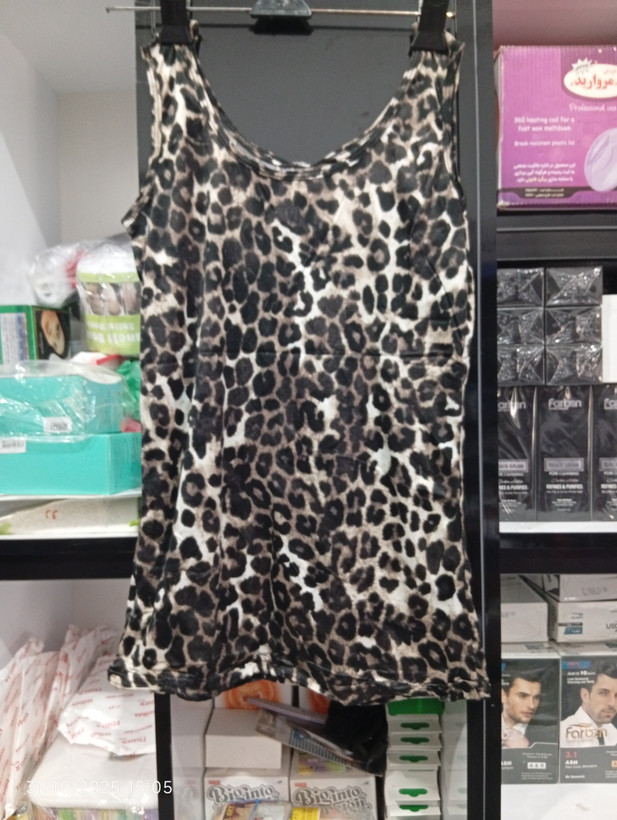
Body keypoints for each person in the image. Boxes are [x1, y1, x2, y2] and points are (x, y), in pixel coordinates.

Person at [560, 660, 617, 747]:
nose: (612, 703)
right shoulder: (562, 733)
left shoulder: (612, 732)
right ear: (585, 695)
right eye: (603, 693)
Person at [502, 667, 548, 748]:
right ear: (504, 696)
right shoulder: (484, 726)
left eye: (536, 697)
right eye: (523, 696)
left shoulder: (548, 735)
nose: (531, 705)